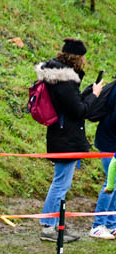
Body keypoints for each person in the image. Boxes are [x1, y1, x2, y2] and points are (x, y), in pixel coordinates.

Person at [36, 38, 102, 242]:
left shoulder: (60, 78)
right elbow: (79, 110)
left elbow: (71, 102)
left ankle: (55, 224)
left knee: (61, 183)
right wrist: (94, 96)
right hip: (66, 138)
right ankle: (49, 227)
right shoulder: (65, 81)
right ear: (77, 58)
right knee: (60, 184)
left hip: (62, 135)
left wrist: (88, 91)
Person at [88, 83, 116, 239]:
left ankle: (111, 224)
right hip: (109, 143)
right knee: (111, 183)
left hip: (110, 140)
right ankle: (97, 226)